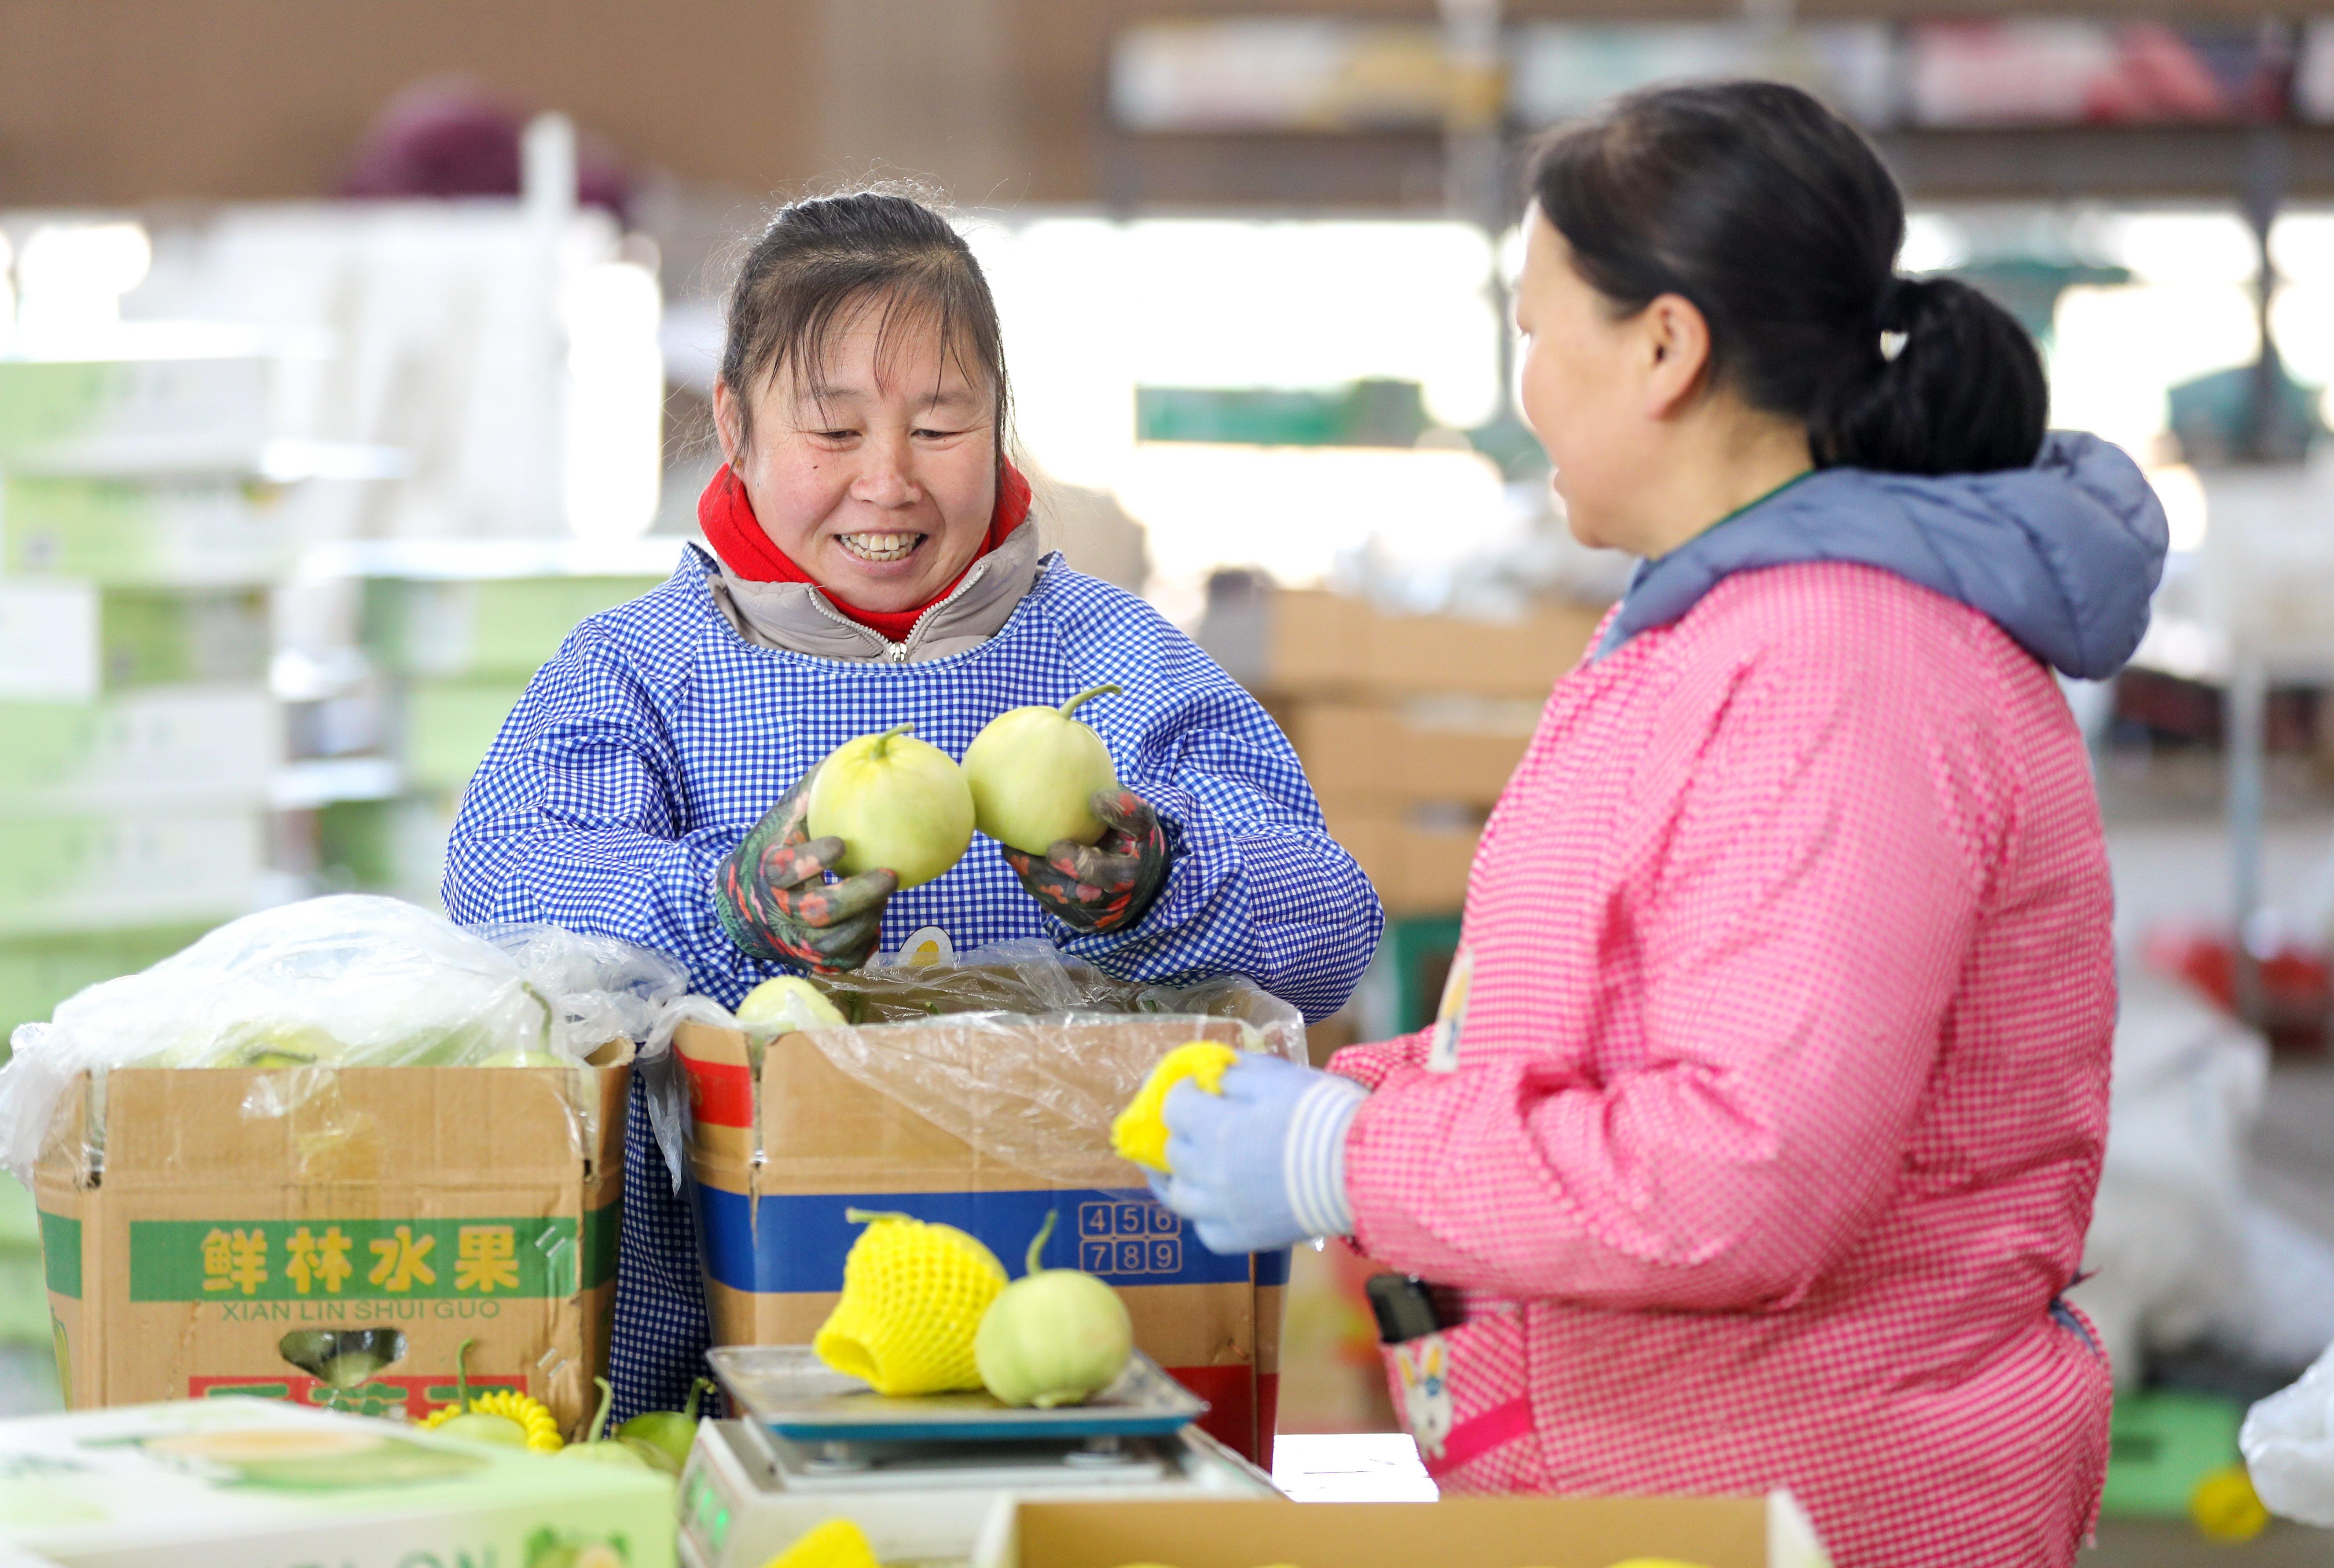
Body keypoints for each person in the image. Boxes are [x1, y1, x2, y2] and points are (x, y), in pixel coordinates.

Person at [1149, 82, 2166, 1568]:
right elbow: (1591, 1032)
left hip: (1817, 1507)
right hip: (1661, 1490)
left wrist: (1349, 1158)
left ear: (1666, 348)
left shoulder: (1845, 670)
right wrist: (1329, 1092)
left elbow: (1748, 1171)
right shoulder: (1714, 631)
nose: (1528, 391)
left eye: (1537, 333)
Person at [442, 191, 1381, 1420]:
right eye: (832, 430)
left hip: (1097, 1331)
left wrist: (1167, 879)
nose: (886, 483)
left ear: (1000, 423)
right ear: (733, 425)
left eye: (939, 427)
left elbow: (1333, 931)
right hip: (725, 1366)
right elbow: (499, 897)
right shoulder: (639, 672)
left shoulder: (1118, 661)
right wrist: (725, 903)